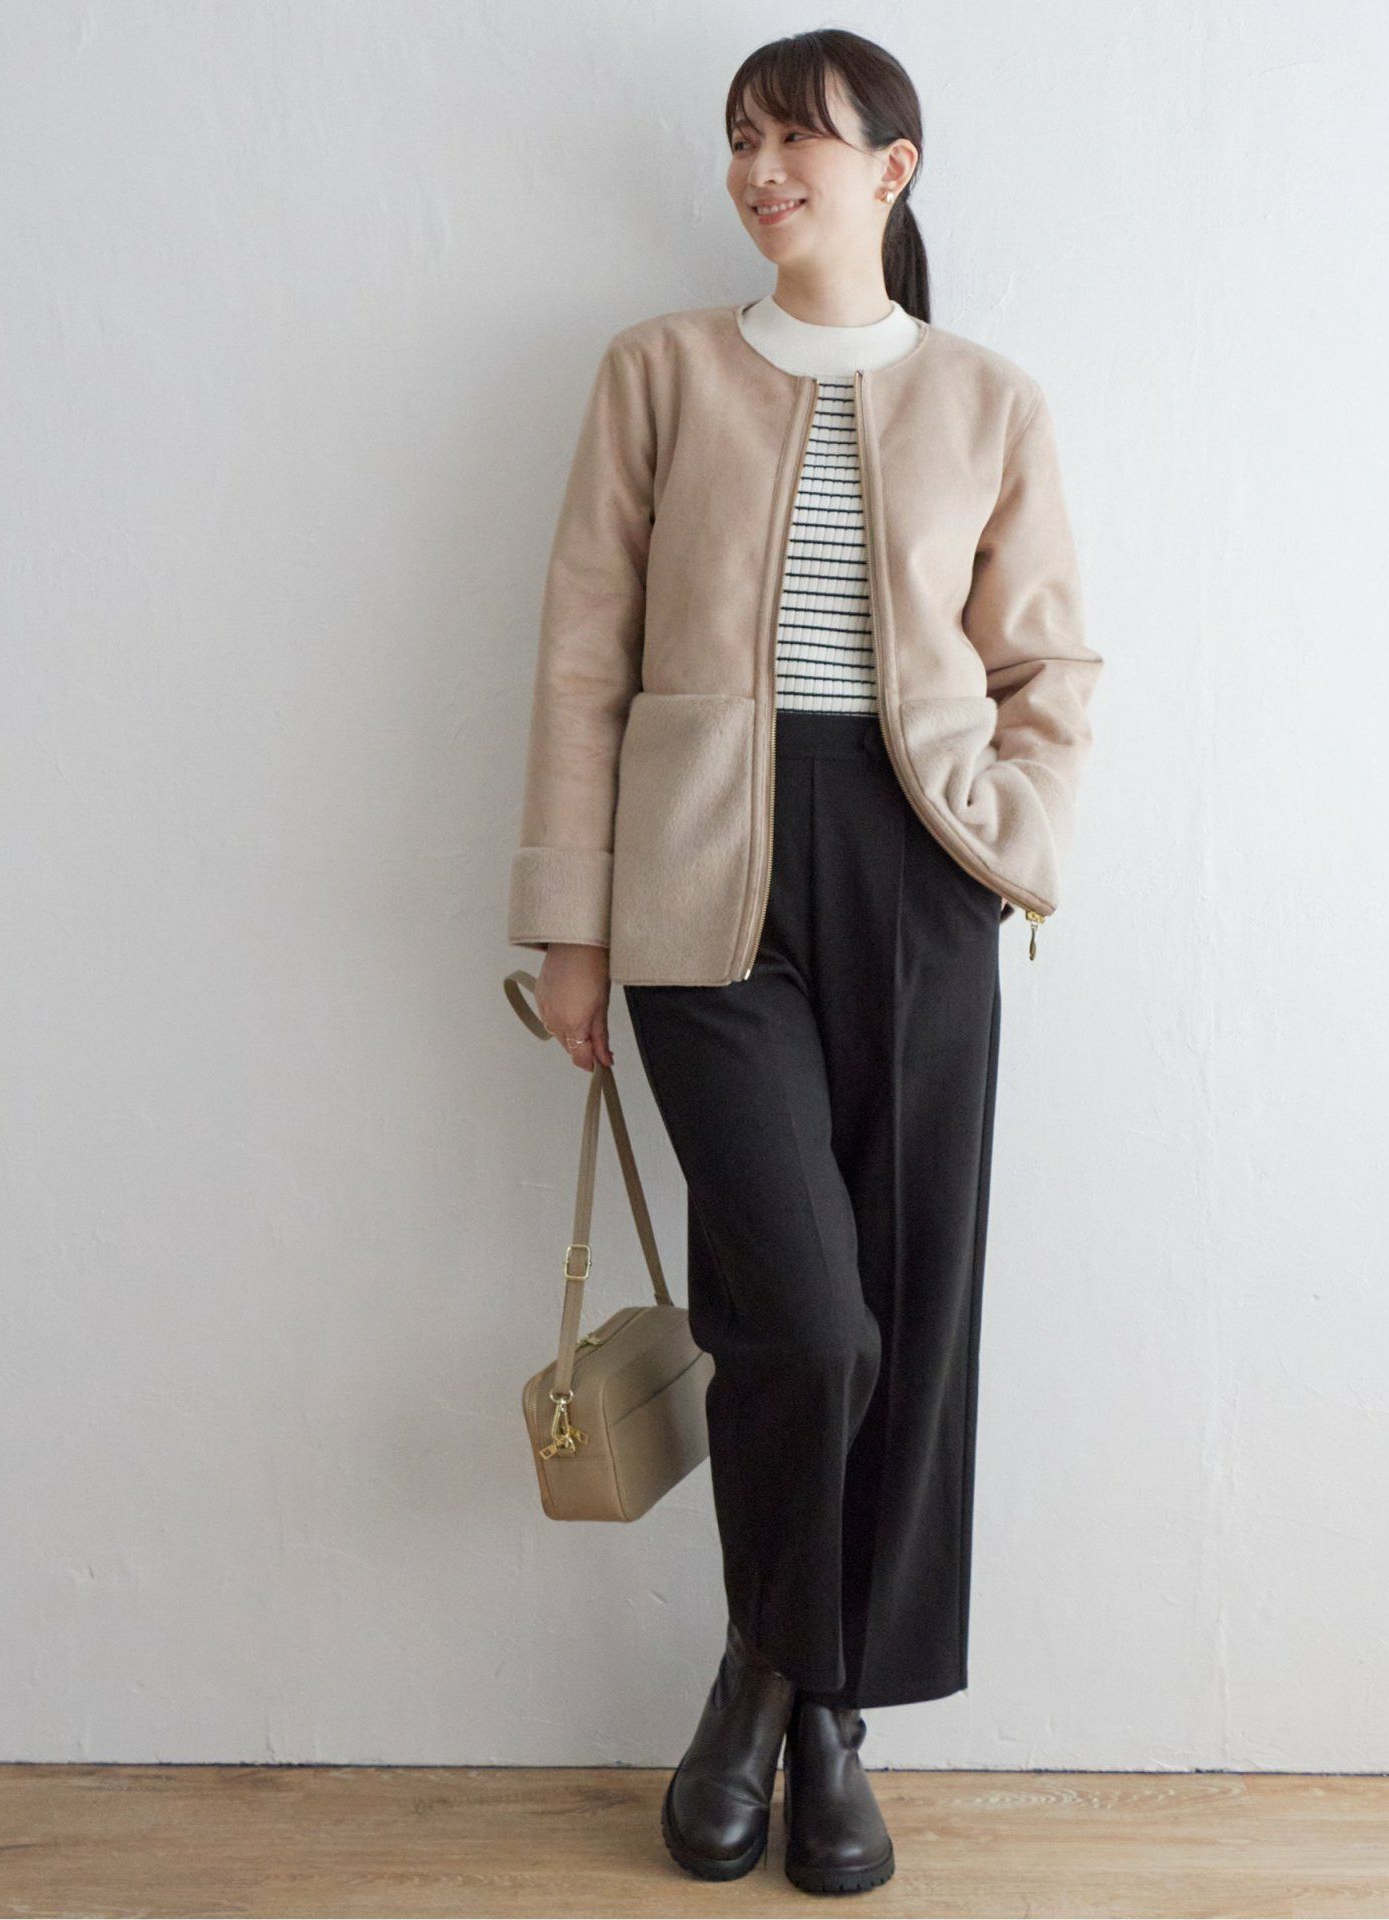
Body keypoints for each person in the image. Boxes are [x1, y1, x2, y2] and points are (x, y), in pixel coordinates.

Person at [507, 29, 1102, 1895]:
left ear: (890, 168)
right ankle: (777, 1674)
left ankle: (804, 1704)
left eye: (797, 141)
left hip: (920, 874)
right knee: (806, 1318)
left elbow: (1049, 665)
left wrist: (1008, 838)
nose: (760, 171)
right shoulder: (659, 371)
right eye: (742, 141)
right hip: (703, 888)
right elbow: (583, 658)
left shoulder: (989, 398)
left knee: (903, 1316)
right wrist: (574, 926)